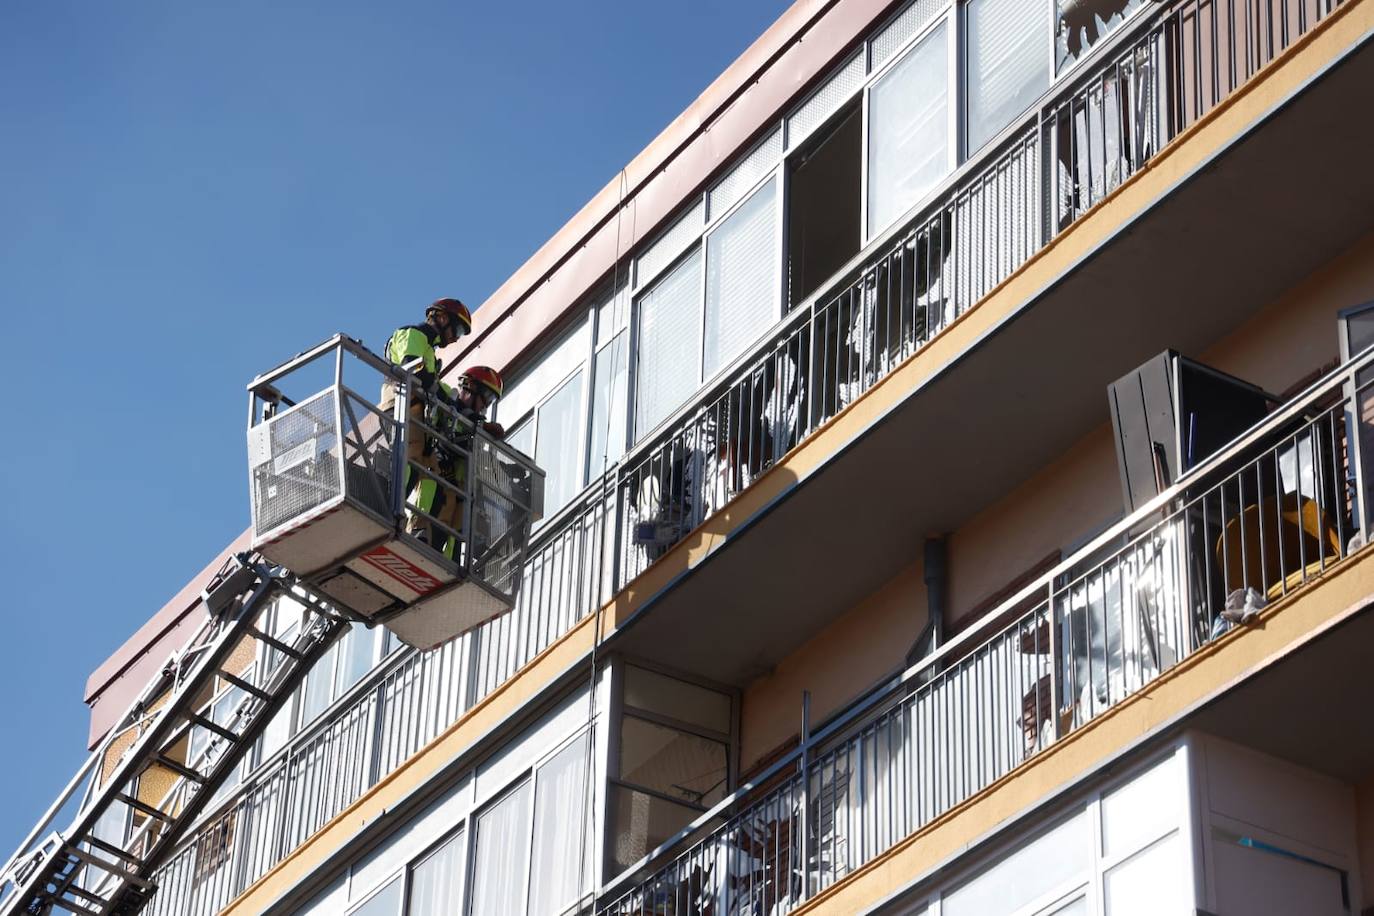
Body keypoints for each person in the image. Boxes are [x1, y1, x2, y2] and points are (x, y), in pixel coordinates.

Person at [379, 298, 472, 540]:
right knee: (407, 460)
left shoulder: (428, 348)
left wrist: (457, 408)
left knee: (430, 470)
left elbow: (433, 385)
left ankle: (419, 527)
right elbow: (414, 368)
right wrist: (434, 387)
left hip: (419, 413)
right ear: (441, 318)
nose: (456, 337)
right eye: (458, 329)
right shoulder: (413, 334)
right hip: (402, 406)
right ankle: (389, 510)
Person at [427, 366, 505, 561]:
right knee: (435, 513)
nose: (486, 404)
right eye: (486, 396)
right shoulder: (446, 397)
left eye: (491, 399)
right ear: (469, 386)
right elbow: (452, 414)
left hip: (454, 485)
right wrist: (479, 425)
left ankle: (450, 560)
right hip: (433, 473)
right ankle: (422, 538)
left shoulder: (475, 428)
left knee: (459, 514)